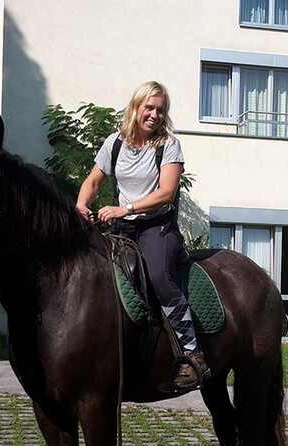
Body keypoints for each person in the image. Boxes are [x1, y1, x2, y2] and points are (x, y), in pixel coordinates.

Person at [76, 81, 210, 393]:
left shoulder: (169, 145)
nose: (154, 115)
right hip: (122, 229)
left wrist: (126, 208)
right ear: (136, 108)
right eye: (149, 108)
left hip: (157, 228)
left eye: (161, 110)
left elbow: (166, 193)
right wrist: (81, 205)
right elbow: (94, 181)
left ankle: (193, 354)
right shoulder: (115, 143)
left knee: (158, 277)